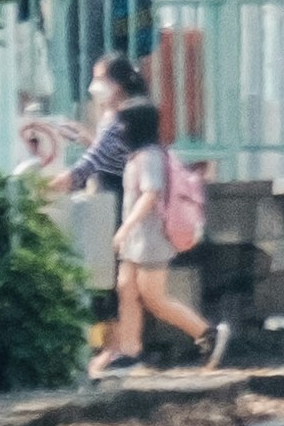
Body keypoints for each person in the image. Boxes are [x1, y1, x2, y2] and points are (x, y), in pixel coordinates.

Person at [93, 88, 229, 374]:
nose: (118, 130)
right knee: (126, 289)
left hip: (151, 237)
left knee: (154, 297)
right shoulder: (139, 155)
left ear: (135, 127)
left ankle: (207, 333)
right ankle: (130, 351)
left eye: (122, 124)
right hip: (137, 239)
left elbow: (151, 194)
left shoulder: (150, 156)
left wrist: (125, 227)